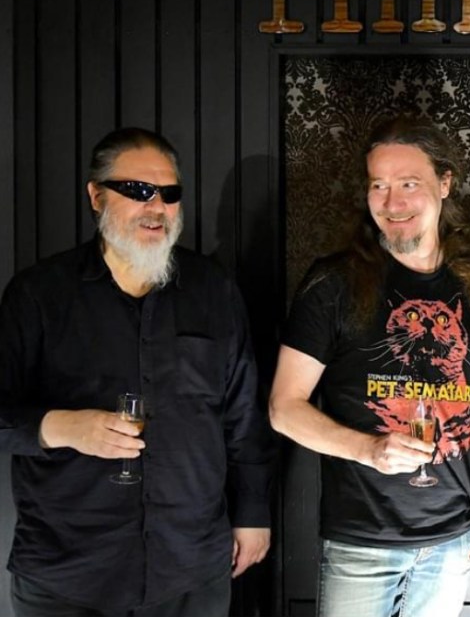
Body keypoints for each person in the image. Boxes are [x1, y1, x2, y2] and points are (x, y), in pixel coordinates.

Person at [0, 128, 274, 617]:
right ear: (96, 195)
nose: (157, 206)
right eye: (138, 190)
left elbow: (243, 417)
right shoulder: (38, 295)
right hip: (68, 571)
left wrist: (254, 514)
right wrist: (60, 426)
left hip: (191, 567)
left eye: (169, 193)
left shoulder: (213, 290)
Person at [268, 117, 470, 617]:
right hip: (361, 543)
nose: (392, 202)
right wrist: (368, 449)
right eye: (378, 186)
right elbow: (284, 408)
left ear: (444, 184)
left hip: (454, 540)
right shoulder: (334, 283)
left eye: (409, 184)